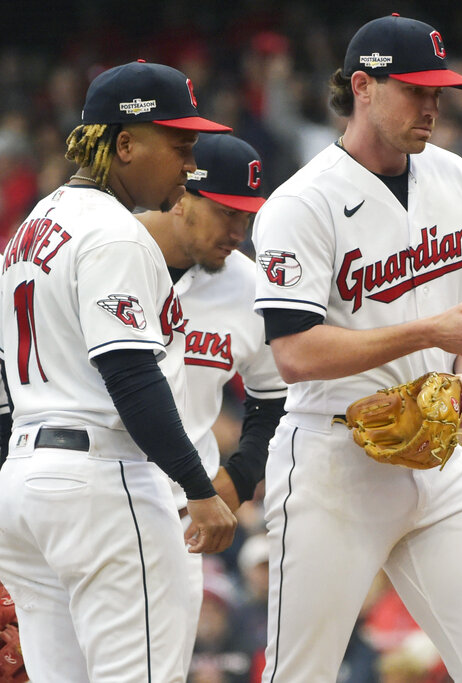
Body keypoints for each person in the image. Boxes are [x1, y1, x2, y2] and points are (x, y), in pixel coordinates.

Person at [251, 14, 462, 682]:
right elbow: (294, 353)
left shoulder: (455, 176)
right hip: (333, 460)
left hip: (435, 454)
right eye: (415, 90)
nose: (433, 105)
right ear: (363, 87)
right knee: (300, 673)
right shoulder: (302, 203)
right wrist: (432, 334)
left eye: (439, 92)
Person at [0, 60, 238, 683]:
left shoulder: (31, 228)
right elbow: (129, 373)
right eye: (180, 144)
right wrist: (198, 488)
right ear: (126, 143)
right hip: (101, 484)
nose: (191, 163)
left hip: (26, 482)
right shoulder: (116, 234)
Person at [135, 132, 288, 672]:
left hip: (179, 511)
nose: (239, 231)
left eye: (248, 215)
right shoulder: (107, 254)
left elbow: (274, 401)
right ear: (182, 196)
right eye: (226, 212)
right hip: (82, 488)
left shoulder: (251, 287)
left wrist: (239, 478)